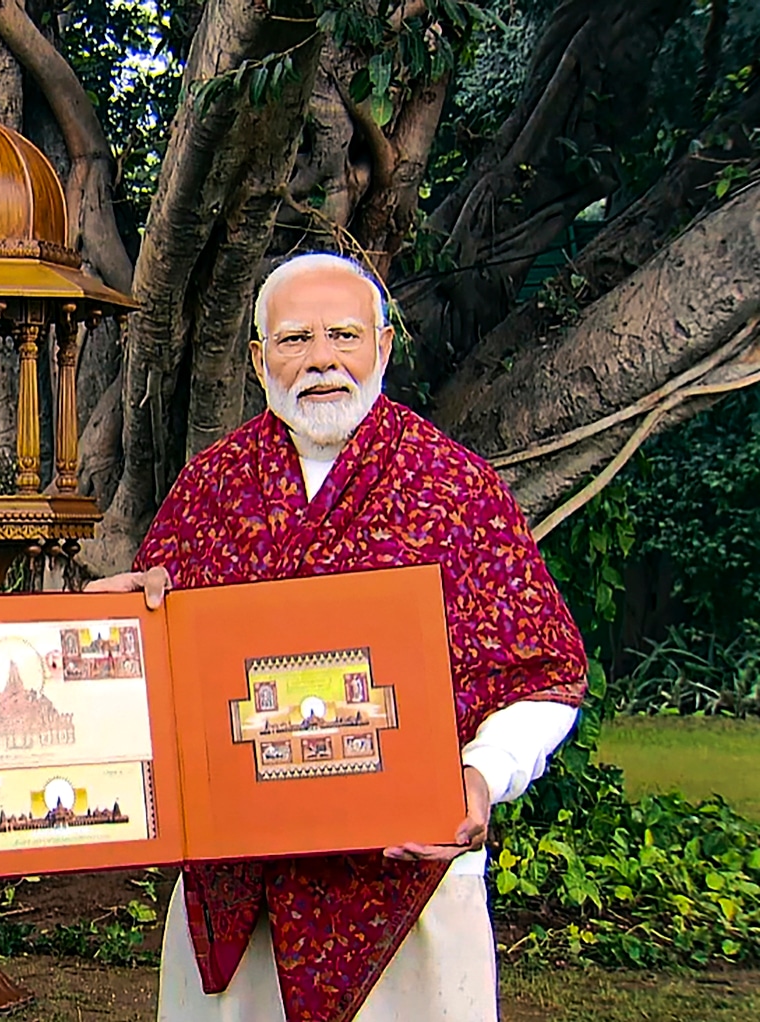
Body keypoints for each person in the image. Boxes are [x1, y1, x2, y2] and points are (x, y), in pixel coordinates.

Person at [88, 252, 587, 1022]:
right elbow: (166, 682)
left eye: (343, 335)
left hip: (406, 894)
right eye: (294, 340)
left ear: (383, 348)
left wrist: (483, 776)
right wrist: (125, 629)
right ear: (259, 360)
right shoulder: (209, 489)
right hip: (237, 899)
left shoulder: (454, 488)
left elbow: (542, 674)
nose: (320, 359)